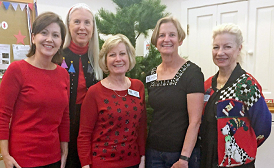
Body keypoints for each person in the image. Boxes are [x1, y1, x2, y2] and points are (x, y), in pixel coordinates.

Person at [0, 12, 69, 168]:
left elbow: (64, 116)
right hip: (23, 158)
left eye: (56, 35)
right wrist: (5, 155)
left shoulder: (63, 75)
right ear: (34, 37)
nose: (49, 39)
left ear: (61, 41)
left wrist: (65, 151)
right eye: (44, 33)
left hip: (54, 156)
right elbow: (3, 114)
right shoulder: (17, 70)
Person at [200, 23, 272, 168]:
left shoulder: (247, 85)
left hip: (237, 162)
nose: (220, 52)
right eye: (216, 47)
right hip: (207, 159)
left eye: (227, 47)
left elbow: (263, 127)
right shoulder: (207, 86)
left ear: (239, 49)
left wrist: (244, 146)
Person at [77, 34, 147, 168]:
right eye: (112, 55)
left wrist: (142, 157)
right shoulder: (94, 92)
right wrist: (85, 165)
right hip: (103, 163)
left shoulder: (138, 87)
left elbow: (141, 127)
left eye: (122, 54)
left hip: (133, 162)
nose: (118, 59)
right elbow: (84, 135)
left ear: (129, 57)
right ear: (105, 60)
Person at [145, 16, 204, 168]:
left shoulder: (193, 73)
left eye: (172, 35)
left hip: (181, 155)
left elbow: (195, 121)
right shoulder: (151, 75)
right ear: (155, 41)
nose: (166, 39)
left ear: (180, 40)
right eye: (161, 35)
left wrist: (184, 158)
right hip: (153, 152)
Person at [61, 3, 103, 168]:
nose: (82, 27)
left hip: (91, 126)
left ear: (93, 27)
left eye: (87, 22)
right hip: (63, 124)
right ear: (68, 26)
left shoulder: (99, 59)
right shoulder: (58, 57)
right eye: (77, 22)